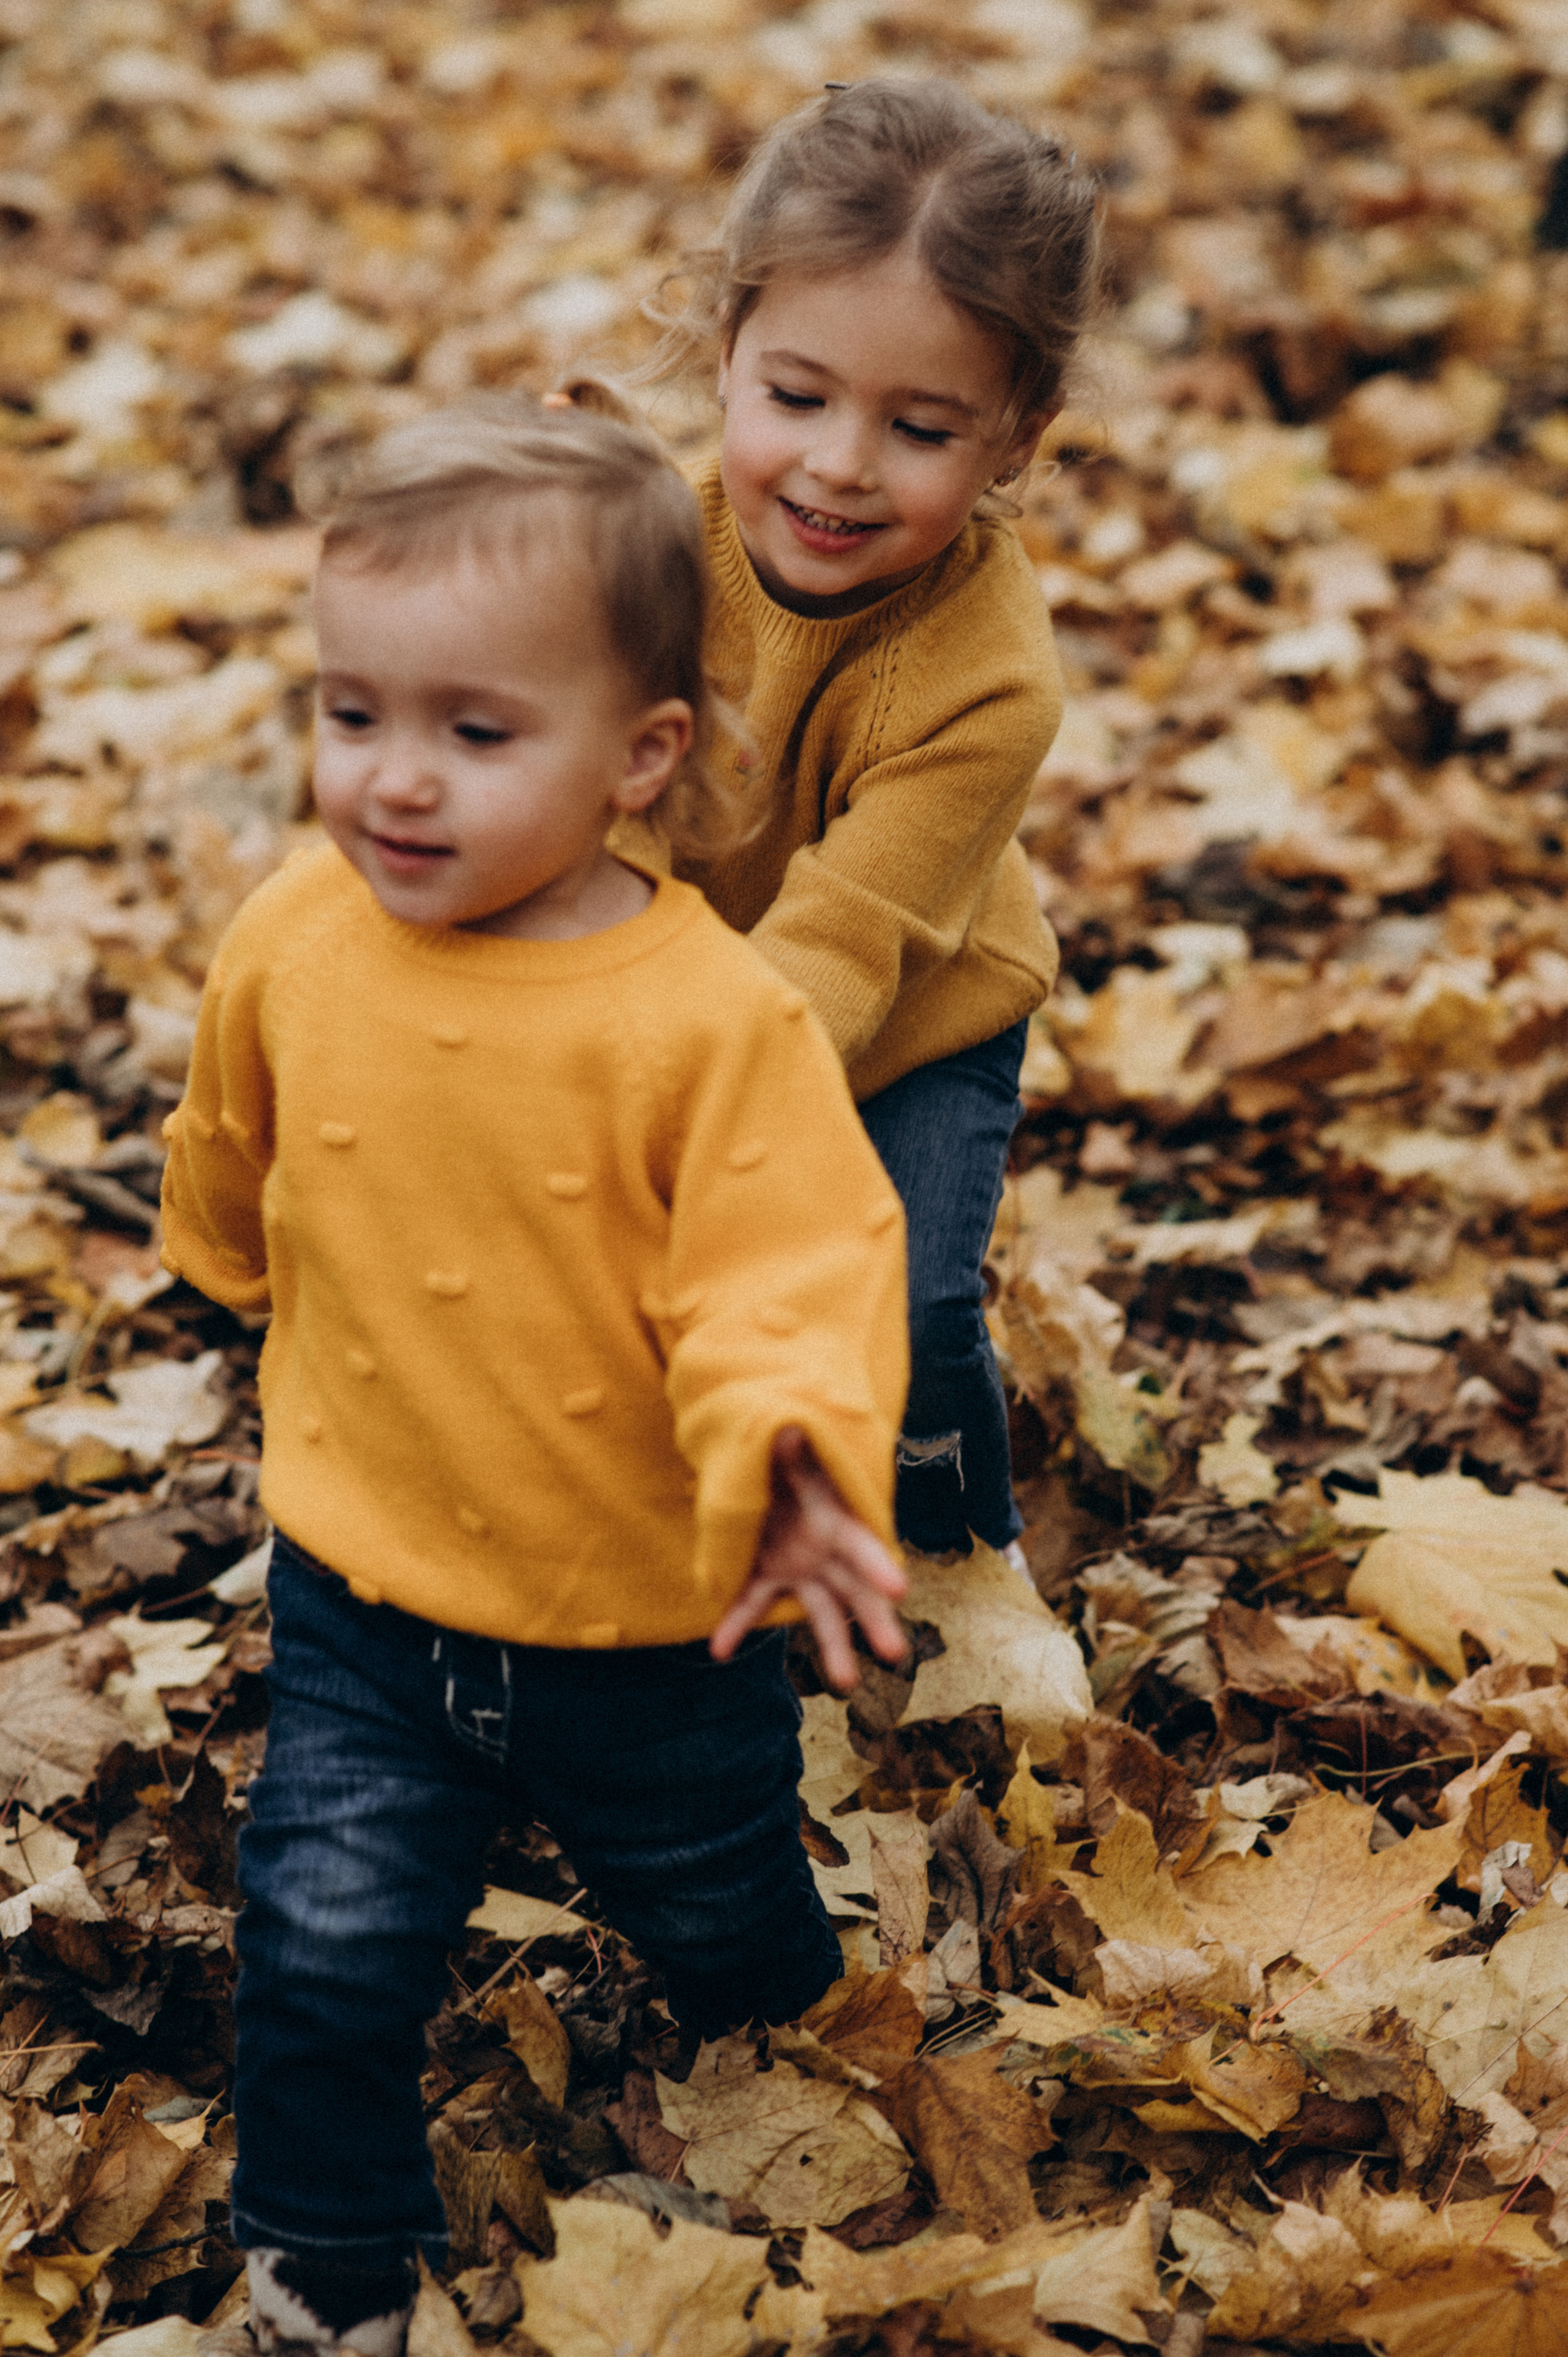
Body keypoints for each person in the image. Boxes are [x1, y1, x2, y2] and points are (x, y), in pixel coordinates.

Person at [160, 393, 912, 2357]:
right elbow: (235, 1136)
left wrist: (793, 1452)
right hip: (369, 1587)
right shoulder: (295, 938)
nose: (394, 784)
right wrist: (223, 1262)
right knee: (321, 1944)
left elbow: (791, 1272)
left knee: (720, 1899)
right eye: (352, 714)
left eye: (477, 736)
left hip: (654, 1612)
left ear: (640, 756)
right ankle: (325, 2263)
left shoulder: (702, 1023)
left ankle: (793, 2063)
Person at [642, 78, 1099, 1562]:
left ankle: (958, 1546)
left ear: (1012, 437)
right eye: (795, 396)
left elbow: (842, 945)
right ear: (727, 357)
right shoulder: (637, 554)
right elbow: (579, 810)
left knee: (894, 1293)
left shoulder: (984, 679)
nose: (839, 464)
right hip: (675, 989)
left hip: (910, 1008)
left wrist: (688, 1113)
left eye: (916, 427)